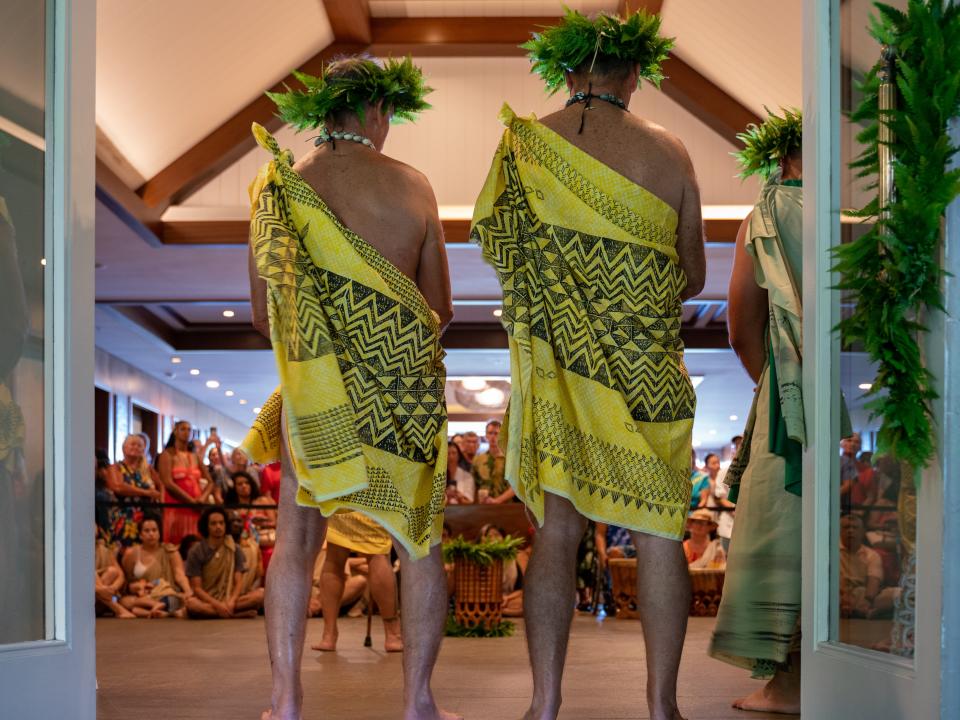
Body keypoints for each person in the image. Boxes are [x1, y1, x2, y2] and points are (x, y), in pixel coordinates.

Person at [472, 10, 704, 719]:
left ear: (564, 73)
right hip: (647, 370)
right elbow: (690, 272)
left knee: (559, 528)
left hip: (561, 372)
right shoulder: (670, 152)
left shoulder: (523, 147)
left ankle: (544, 706)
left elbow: (499, 252)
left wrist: (571, 292)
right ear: (635, 74)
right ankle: (662, 707)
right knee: (663, 528)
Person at [241, 55, 455, 720]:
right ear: (379, 109)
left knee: (298, 542)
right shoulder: (413, 186)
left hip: (315, 395)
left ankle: (285, 700)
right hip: (401, 395)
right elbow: (438, 307)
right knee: (417, 543)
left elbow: (259, 315)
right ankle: (418, 701)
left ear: (319, 109)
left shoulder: (279, 185)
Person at [708, 108, 812, 715]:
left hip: (785, 386)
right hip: (852, 388)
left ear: (777, 158)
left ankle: (788, 682)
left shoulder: (765, 217)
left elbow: (740, 325)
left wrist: (771, 383)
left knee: (777, 525)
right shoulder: (859, 217)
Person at [311, 512, 402, 653]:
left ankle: (328, 635)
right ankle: (393, 635)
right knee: (377, 554)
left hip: (338, 493)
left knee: (334, 558)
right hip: (369, 494)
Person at [184, 506, 264, 618]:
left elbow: (238, 583)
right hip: (207, 600)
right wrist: (217, 605)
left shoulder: (234, 549)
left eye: (221, 523)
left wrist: (231, 601)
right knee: (191, 604)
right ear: (206, 526)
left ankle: (219, 613)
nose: (218, 527)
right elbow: (197, 588)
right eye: (213, 523)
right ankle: (235, 614)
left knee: (260, 594)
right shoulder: (196, 551)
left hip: (230, 598)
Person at [120, 517, 192, 618]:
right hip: (143, 597)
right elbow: (125, 582)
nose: (151, 534)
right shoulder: (131, 553)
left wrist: (188, 591)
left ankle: (159, 609)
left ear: (159, 533)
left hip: (166, 594)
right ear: (140, 535)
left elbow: (179, 574)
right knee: (124, 601)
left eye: (154, 530)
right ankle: (162, 612)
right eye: (147, 531)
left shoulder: (170, 551)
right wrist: (134, 587)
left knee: (181, 600)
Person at [158, 420, 215, 544]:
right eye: (183, 429)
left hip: (196, 508)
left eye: (189, 430)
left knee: (195, 543)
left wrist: (202, 499)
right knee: (176, 544)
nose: (187, 432)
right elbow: (168, 483)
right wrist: (191, 501)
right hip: (177, 507)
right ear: (175, 431)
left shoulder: (195, 457)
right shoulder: (167, 455)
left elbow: (210, 482)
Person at [108, 434, 162, 547]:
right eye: (132, 444)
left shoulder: (148, 469)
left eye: (139, 445)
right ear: (123, 448)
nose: (136, 447)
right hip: (125, 518)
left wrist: (158, 496)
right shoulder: (116, 467)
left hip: (147, 518)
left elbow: (161, 487)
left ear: (144, 449)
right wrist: (146, 492)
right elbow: (118, 487)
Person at [479, 524, 529, 617]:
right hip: (485, 598)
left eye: (497, 535)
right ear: (484, 540)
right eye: (489, 536)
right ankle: (499, 611)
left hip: (507, 599)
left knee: (527, 603)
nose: (493, 538)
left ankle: (496, 611)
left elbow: (520, 589)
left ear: (504, 539)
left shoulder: (511, 560)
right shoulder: (480, 559)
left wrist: (507, 598)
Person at [472, 420, 513, 504]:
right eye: (490, 433)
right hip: (482, 506)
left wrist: (497, 500)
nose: (493, 437)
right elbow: (474, 484)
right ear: (486, 435)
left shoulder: (510, 460)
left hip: (507, 506)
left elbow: (516, 486)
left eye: (496, 433)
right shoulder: (478, 459)